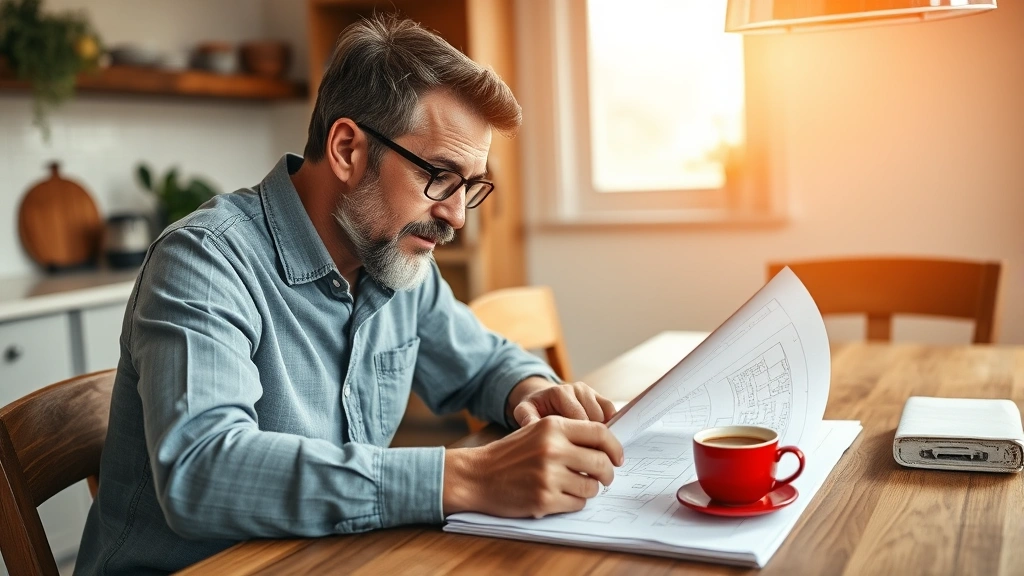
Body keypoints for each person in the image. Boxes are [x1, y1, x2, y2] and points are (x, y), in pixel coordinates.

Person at [74, 15, 624, 575]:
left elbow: (482, 363)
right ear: (345, 149)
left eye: (470, 187)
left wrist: (530, 391)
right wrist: (468, 476)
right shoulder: (205, 261)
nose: (457, 215)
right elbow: (201, 470)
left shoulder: (395, 261)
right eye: (439, 176)